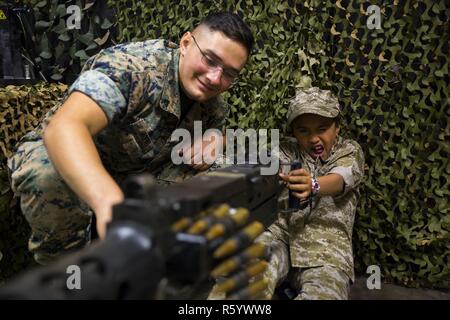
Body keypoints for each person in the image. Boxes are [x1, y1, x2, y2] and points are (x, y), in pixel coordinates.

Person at [7, 12, 254, 265]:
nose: (215, 78)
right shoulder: (131, 67)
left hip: (134, 174)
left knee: (224, 169)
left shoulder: (213, 104)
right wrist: (107, 201)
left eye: (229, 73)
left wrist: (215, 138)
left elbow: (217, 130)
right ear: (186, 43)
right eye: (210, 59)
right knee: (46, 172)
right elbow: (65, 128)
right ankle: (69, 277)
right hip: (66, 156)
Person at [257, 87, 365, 300]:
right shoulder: (287, 149)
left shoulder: (349, 150)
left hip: (326, 252)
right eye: (303, 130)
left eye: (322, 128)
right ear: (294, 132)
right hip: (278, 238)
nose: (314, 138)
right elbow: (265, 163)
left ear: (337, 127)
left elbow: (341, 178)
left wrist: (313, 185)